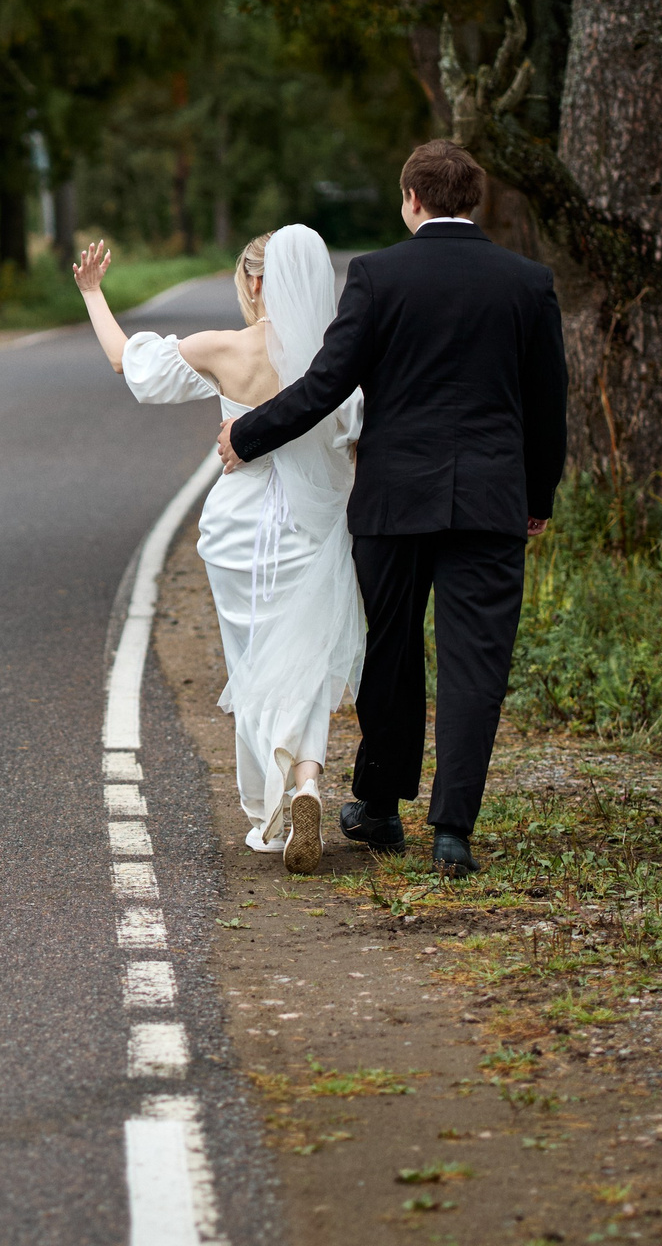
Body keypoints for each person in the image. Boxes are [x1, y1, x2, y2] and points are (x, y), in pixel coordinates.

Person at [215, 141, 568, 878]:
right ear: (475, 202)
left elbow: (325, 384)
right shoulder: (528, 283)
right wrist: (538, 497)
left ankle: (380, 808)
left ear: (412, 198)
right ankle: (453, 833)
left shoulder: (378, 275)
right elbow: (546, 405)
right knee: (477, 665)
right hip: (491, 500)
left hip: (393, 501)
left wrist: (247, 434)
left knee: (393, 649)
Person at [75, 226, 365, 873]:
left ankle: (274, 807)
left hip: (236, 531)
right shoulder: (338, 364)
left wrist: (94, 293)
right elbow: (354, 442)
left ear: (255, 282)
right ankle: (309, 784)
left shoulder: (222, 348)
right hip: (308, 531)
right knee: (309, 665)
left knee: (258, 660)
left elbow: (131, 366)